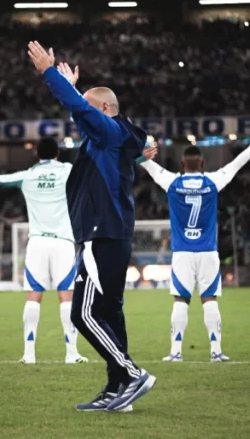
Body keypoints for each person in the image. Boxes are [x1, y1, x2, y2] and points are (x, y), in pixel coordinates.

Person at [27, 41, 154, 412]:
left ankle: (131, 373)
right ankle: (118, 389)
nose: (81, 118)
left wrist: (50, 74)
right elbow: (82, 110)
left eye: (89, 109)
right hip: (111, 234)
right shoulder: (110, 138)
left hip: (101, 235)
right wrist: (71, 88)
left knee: (82, 313)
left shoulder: (109, 132)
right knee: (109, 313)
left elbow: (81, 109)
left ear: (104, 110)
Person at [0, 138, 90, 365]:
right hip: (63, 242)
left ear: (37, 154)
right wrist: (136, 160)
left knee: (34, 296)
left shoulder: (27, 175)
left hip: (37, 242)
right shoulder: (68, 171)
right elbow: (99, 172)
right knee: (65, 296)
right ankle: (71, 354)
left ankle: (29, 354)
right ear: (57, 153)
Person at [139, 129, 250, 363]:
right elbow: (236, 164)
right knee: (209, 299)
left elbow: (142, 163)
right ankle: (216, 351)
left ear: (181, 164)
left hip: (182, 252)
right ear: (203, 163)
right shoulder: (213, 181)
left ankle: (176, 352)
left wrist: (141, 154)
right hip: (208, 251)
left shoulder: (171, 181)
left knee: (181, 300)